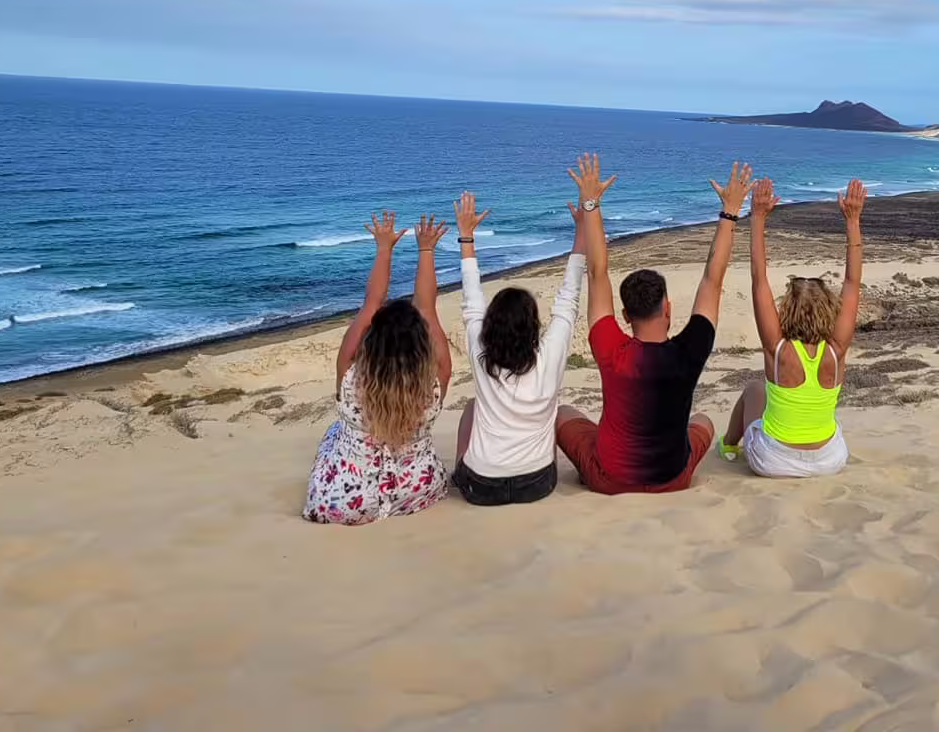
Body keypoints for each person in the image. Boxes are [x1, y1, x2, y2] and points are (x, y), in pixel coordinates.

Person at [556, 153, 753, 495]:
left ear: (625, 317)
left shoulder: (610, 348)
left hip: (610, 479)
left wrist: (591, 204)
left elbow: (597, 273)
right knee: (703, 421)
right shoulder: (689, 351)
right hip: (673, 478)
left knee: (562, 414)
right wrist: (730, 213)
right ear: (668, 309)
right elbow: (712, 280)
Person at [302, 211, 453, 524]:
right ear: (421, 346)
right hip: (417, 491)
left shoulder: (349, 378)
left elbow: (371, 303)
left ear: (372, 343)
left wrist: (384, 248)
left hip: (345, 501)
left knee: (334, 432)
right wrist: (426, 250)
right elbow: (426, 308)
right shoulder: (434, 384)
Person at [718, 177, 866, 478]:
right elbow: (852, 283)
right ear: (828, 308)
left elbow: (759, 279)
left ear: (787, 307)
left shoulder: (778, 348)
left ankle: (729, 446)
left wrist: (757, 217)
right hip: (829, 460)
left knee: (754, 389)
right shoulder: (837, 350)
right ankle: (735, 445)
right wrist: (852, 221)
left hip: (774, 461)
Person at [450, 191, 585, 506]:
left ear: (490, 326)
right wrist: (581, 232)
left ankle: (459, 476)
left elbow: (471, 300)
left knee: (472, 407)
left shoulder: (480, 351)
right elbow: (569, 299)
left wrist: (466, 237)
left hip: (480, 487)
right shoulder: (550, 355)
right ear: (533, 326)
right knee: (551, 410)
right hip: (537, 484)